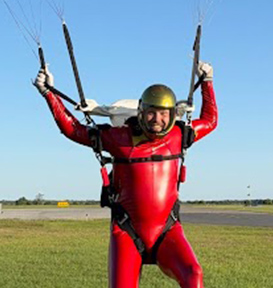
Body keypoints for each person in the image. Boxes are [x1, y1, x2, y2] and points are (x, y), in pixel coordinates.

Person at [34, 61, 217, 288]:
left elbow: (210, 121)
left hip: (167, 230)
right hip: (127, 231)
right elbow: (73, 129)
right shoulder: (118, 138)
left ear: (171, 116)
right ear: (141, 113)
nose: (157, 120)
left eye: (163, 114)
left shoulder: (180, 135)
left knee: (194, 274)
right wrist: (48, 93)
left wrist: (207, 82)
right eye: (151, 113)